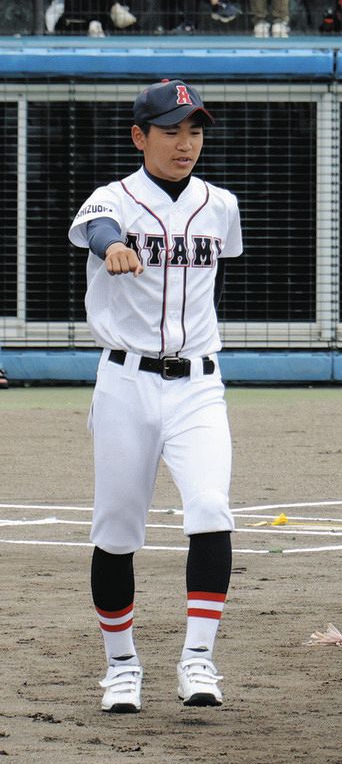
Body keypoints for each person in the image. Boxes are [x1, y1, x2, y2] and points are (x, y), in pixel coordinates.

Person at [68, 79, 242, 714]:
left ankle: (198, 659)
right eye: (170, 130)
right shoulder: (109, 200)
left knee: (211, 509)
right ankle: (121, 665)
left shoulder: (220, 205)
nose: (185, 142)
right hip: (125, 383)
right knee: (116, 528)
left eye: (194, 130)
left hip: (199, 384)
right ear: (140, 136)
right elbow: (99, 229)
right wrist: (113, 245)